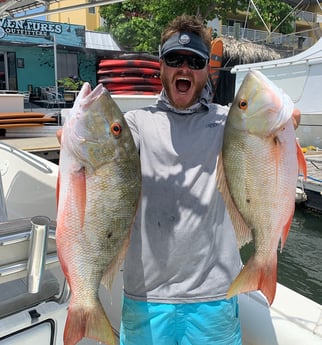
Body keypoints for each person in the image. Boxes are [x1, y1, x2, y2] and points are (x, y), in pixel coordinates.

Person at [120, 14, 242, 345]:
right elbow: (107, 155)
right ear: (161, 66)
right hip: (146, 298)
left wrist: (283, 119)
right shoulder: (136, 122)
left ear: (207, 70)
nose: (184, 69)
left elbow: (266, 126)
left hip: (215, 295)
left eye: (195, 61)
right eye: (174, 59)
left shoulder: (230, 122)